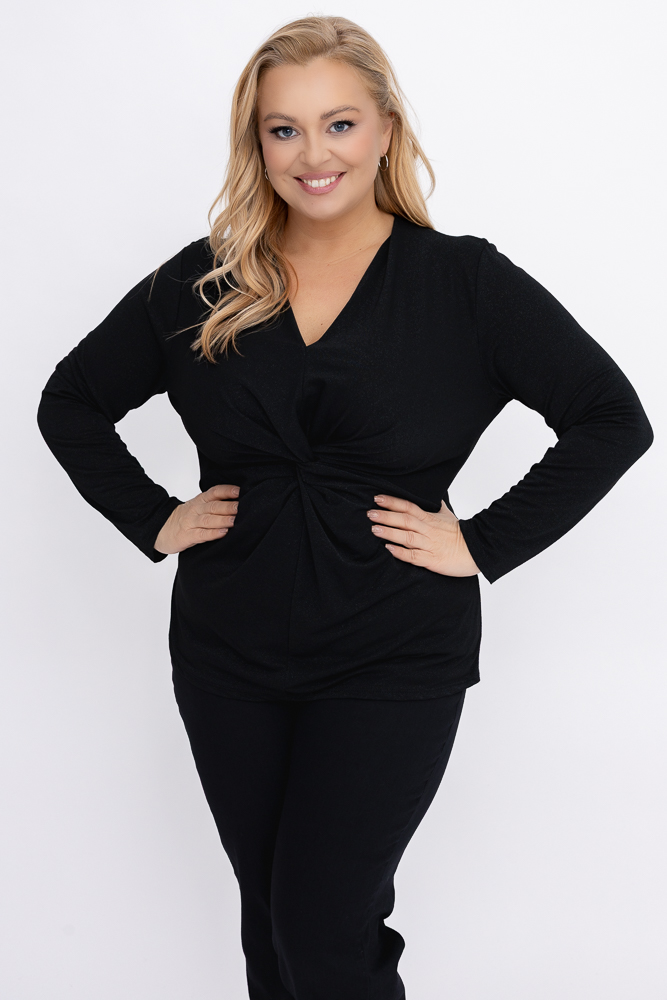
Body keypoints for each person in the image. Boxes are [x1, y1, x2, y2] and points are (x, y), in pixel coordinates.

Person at [37, 14, 653, 1000]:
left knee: (323, 930)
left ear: (384, 129)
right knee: (271, 928)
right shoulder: (201, 281)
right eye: (283, 129)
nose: (312, 155)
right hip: (228, 652)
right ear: (256, 143)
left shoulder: (464, 284)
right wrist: (154, 517)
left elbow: (611, 418)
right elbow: (69, 400)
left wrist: (482, 541)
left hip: (391, 650)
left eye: (338, 124)